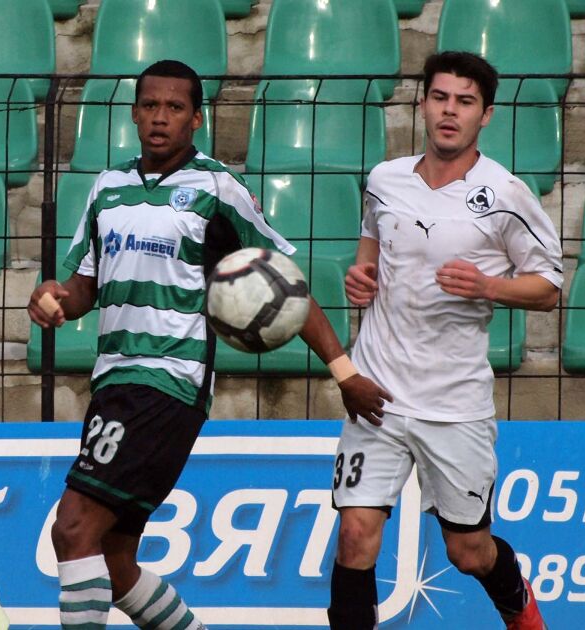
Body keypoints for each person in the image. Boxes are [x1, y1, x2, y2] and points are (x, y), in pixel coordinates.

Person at [27, 59, 391, 629]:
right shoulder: (108, 187)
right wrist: (54, 298)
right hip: (114, 380)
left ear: (196, 119)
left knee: (72, 528)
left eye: (174, 108)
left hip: (168, 382)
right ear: (133, 114)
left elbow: (285, 287)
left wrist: (343, 371)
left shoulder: (217, 188)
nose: (160, 117)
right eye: (150, 105)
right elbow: (83, 289)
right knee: (116, 564)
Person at [327, 51, 560, 630]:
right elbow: (370, 251)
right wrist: (360, 277)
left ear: (486, 114)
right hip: (377, 393)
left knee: (468, 552)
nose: (450, 111)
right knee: (355, 534)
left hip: (454, 403)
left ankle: (522, 613)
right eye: (440, 97)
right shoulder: (384, 180)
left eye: (465, 101)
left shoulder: (505, 193)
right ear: (423, 103)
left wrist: (488, 286)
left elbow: (549, 286)